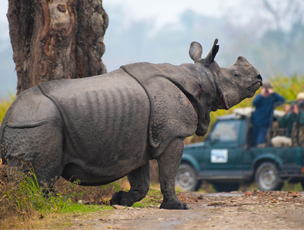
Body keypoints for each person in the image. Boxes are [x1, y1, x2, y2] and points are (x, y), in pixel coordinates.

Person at [251, 82, 285, 146]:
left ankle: (258, 152)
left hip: (265, 124)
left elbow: (282, 100)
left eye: (268, 88)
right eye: (265, 88)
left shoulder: (273, 98)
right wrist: (262, 94)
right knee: (253, 140)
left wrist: (273, 93)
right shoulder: (259, 97)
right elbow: (254, 103)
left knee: (260, 141)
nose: (266, 90)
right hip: (256, 122)